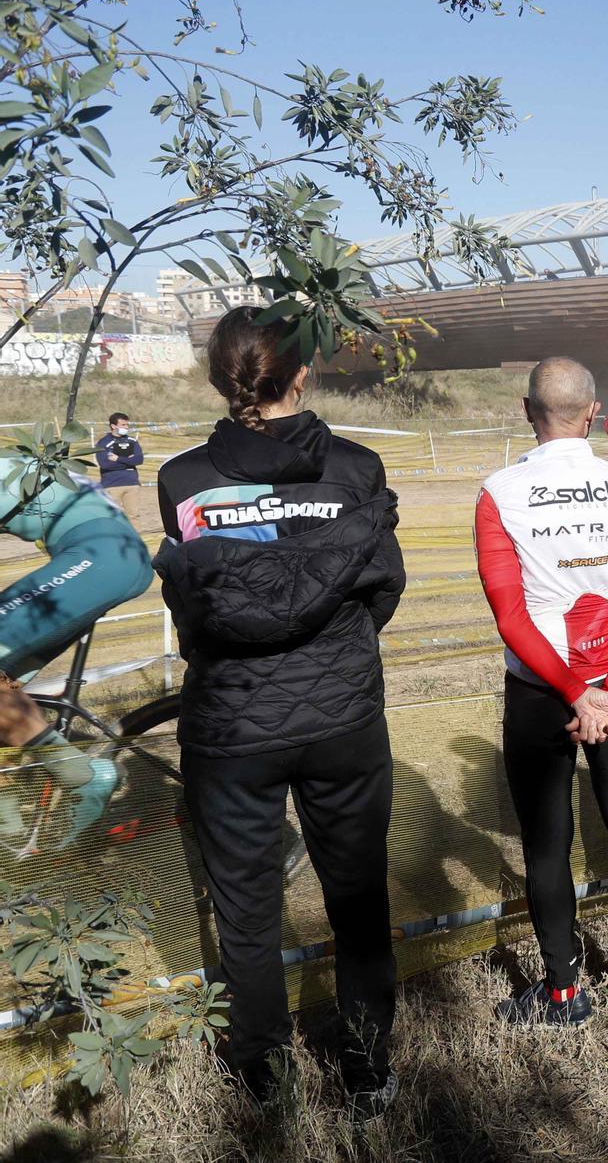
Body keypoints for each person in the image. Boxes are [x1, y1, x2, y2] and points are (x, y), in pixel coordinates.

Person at [153, 305, 405, 1112]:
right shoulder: (358, 470)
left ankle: (261, 1075)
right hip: (342, 718)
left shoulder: (183, 480)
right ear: (302, 373)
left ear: (224, 378)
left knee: (246, 911)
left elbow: (201, 601)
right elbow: (382, 589)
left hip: (229, 727)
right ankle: (368, 1068)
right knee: (357, 895)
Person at [477, 358, 608, 1027]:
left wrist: (573, 693)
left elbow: (510, 616)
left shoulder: (498, 491)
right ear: (593, 413)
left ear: (527, 409)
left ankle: (564, 994)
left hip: (540, 689)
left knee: (546, 841)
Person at [0, 438, 153, 854]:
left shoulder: (4, 466)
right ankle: (13, 825)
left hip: (102, 558)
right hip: (103, 556)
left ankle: (84, 778)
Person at [93, 413, 146, 526]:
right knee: (111, 517)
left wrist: (117, 459)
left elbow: (139, 459)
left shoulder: (132, 441)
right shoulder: (103, 443)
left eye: (127, 425)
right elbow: (105, 464)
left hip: (131, 484)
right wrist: (128, 461)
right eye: (123, 424)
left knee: (133, 516)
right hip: (111, 485)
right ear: (113, 426)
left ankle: (135, 541)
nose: (126, 427)